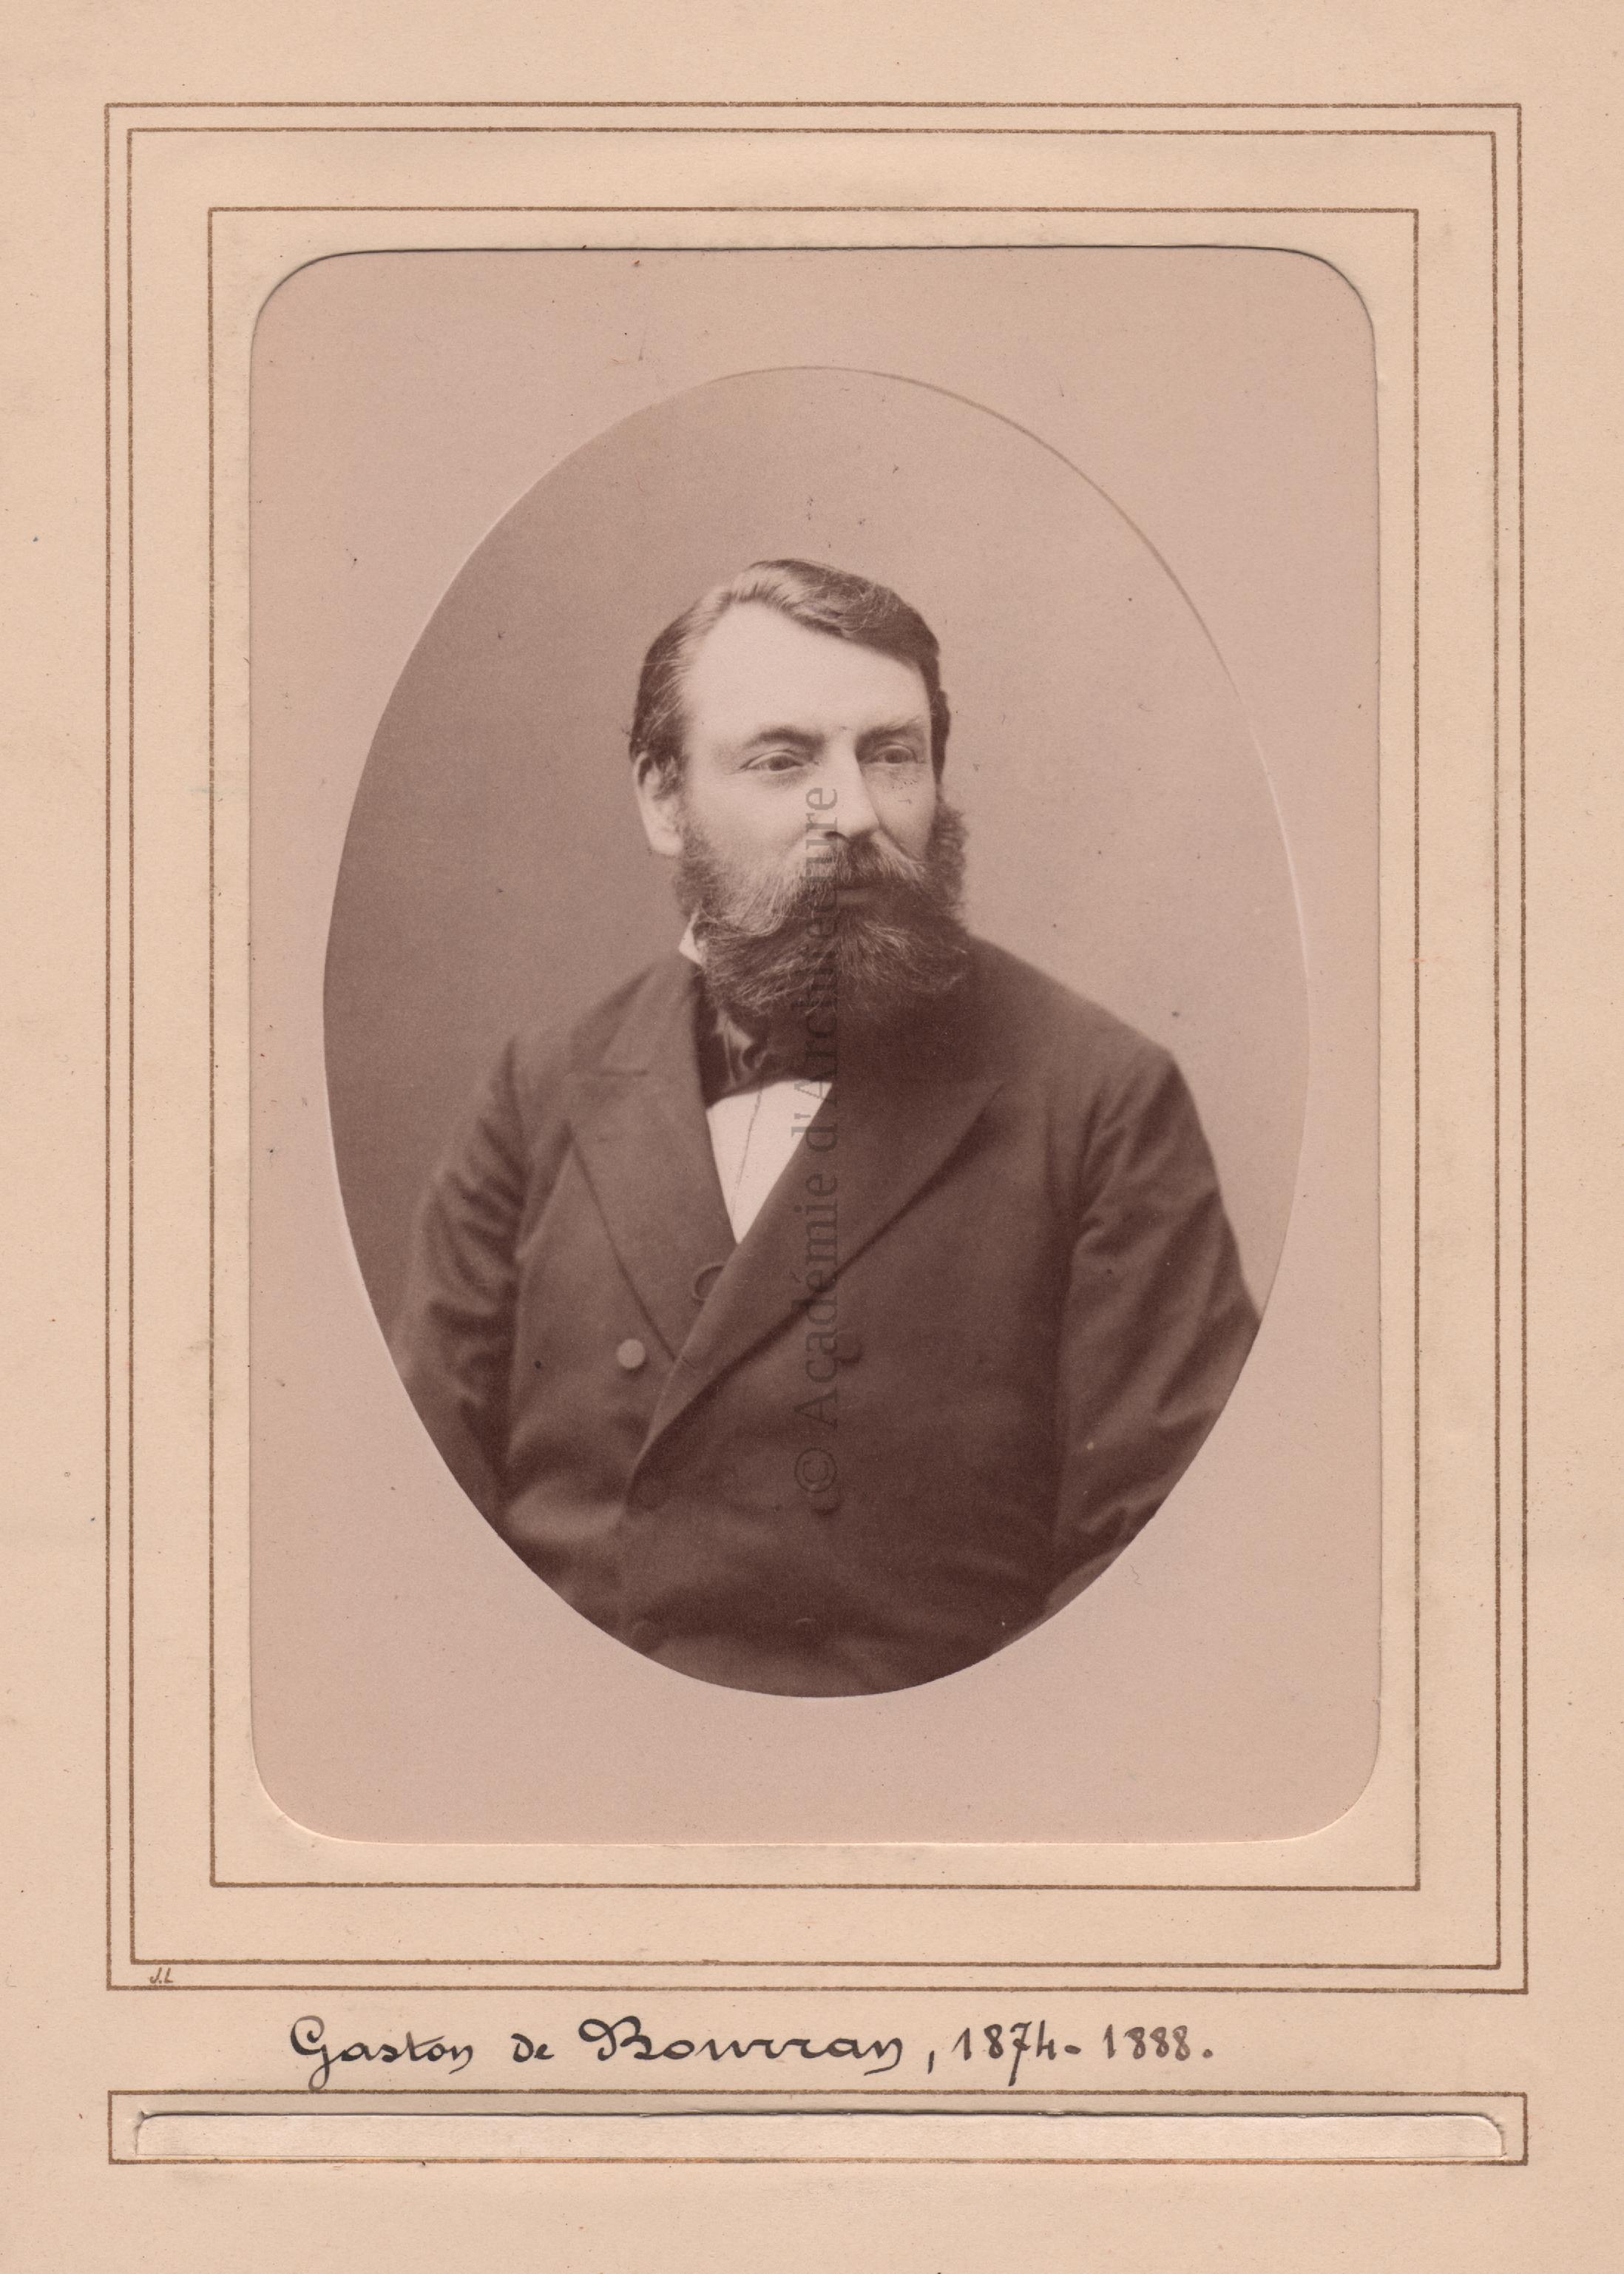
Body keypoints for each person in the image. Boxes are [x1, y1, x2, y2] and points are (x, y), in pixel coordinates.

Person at [391, 558, 1258, 1697]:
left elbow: (1160, 1564)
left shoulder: (1101, 1102)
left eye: (892, 754)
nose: (852, 812)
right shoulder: (536, 1094)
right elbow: (416, 1534)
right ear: (663, 799)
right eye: (784, 759)